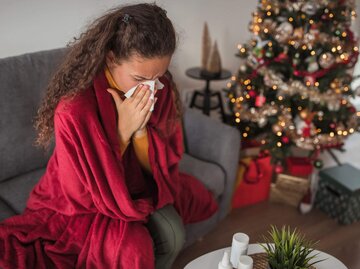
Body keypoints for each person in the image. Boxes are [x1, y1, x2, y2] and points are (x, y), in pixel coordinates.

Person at [0, 3, 218, 269]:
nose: (150, 88)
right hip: (79, 199)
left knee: (173, 228)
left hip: (139, 185)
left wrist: (140, 132)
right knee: (132, 249)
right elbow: (78, 194)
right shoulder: (75, 108)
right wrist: (122, 133)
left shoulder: (160, 89)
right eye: (139, 78)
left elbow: (164, 165)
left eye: (158, 77)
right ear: (112, 59)